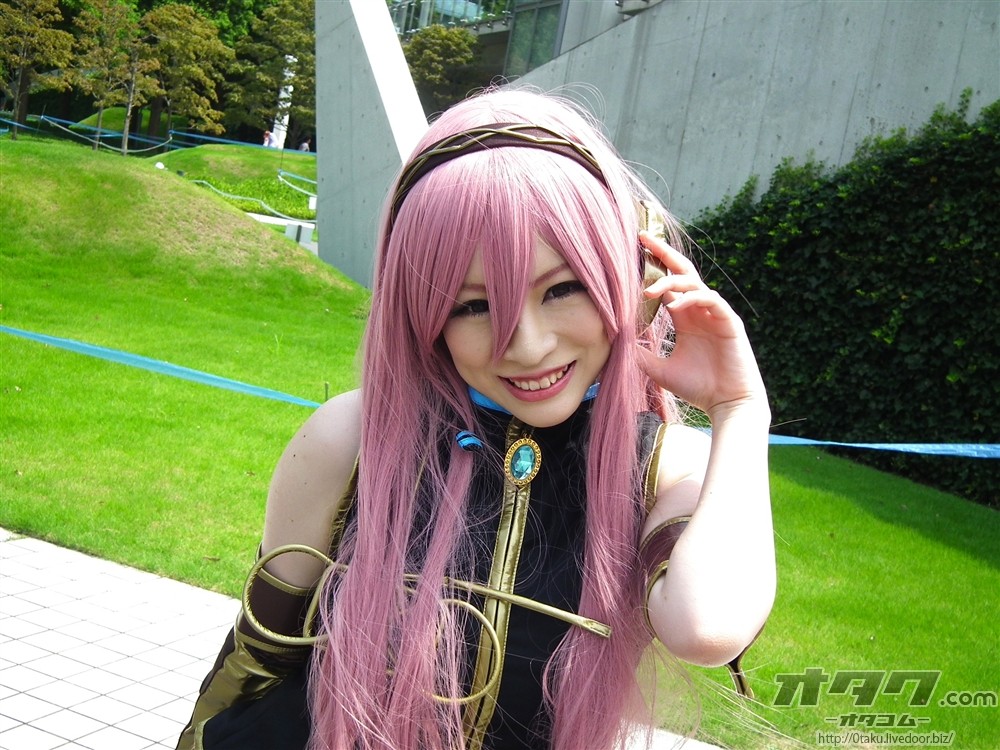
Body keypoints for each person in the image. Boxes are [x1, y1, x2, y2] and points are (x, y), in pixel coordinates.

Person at [177, 88, 775, 750]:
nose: (527, 346)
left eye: (563, 288)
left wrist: (740, 410)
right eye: (472, 306)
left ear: (633, 280)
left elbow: (707, 628)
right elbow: (257, 659)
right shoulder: (351, 438)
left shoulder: (664, 467)